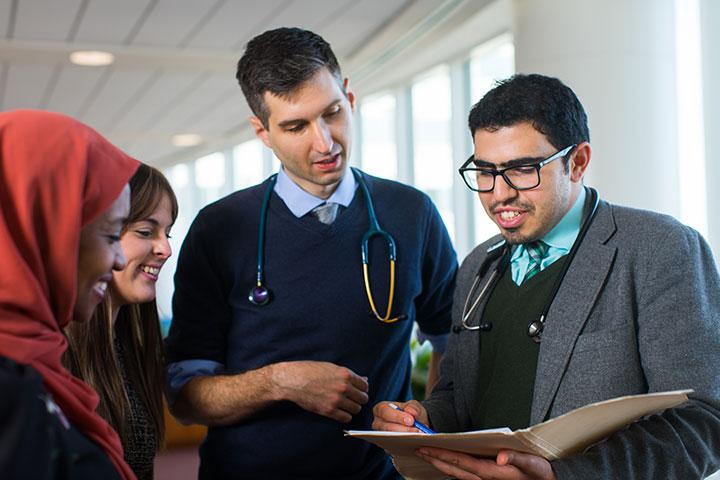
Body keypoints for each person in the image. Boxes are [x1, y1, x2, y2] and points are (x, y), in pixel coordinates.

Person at [373, 74, 720, 479]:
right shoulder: (477, 267)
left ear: (577, 162)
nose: (499, 194)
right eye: (484, 171)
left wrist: (565, 476)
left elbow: (703, 422)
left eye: (522, 169)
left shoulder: (659, 249)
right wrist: (421, 417)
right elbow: (461, 395)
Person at [164, 27, 458, 479]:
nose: (324, 143)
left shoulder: (410, 212)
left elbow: (451, 342)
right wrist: (279, 381)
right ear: (262, 132)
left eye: (333, 113)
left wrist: (426, 422)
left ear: (351, 99)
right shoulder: (219, 228)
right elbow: (184, 398)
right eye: (296, 126)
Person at [0, 109, 139, 479]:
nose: (121, 260)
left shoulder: (31, 358)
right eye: (112, 235)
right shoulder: (7, 386)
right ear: (43, 230)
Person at [64, 164, 178, 480]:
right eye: (146, 231)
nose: (165, 249)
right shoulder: (51, 357)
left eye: (167, 233)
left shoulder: (127, 346)